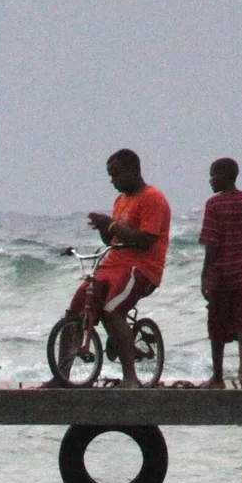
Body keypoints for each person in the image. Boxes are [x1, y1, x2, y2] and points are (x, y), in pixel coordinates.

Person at [75, 150, 171, 385]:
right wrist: (103, 228)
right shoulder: (120, 201)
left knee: (111, 309)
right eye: (110, 175)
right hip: (112, 265)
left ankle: (131, 377)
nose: (112, 180)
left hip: (140, 269)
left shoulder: (152, 198)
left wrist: (113, 225)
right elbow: (114, 242)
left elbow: (145, 240)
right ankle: (62, 375)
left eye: (116, 174)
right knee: (77, 308)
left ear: (134, 171)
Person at [199, 157, 242, 387]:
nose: (210, 180)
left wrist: (205, 275)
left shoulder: (214, 205)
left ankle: (217, 377)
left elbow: (212, 244)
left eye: (213, 175)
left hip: (222, 274)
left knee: (217, 324)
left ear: (224, 177)